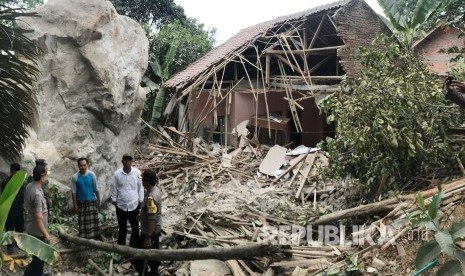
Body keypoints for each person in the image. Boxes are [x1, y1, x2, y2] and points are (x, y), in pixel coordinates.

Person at [133, 169, 162, 275]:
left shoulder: (151, 197)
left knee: (140, 256)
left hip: (149, 232)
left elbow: (152, 218)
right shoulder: (154, 190)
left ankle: (147, 273)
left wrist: (148, 237)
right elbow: (149, 212)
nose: (141, 182)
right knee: (152, 256)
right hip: (152, 229)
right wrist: (141, 215)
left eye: (143, 180)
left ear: (147, 181)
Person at [23, 165, 51, 276]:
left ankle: (37, 274)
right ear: (42, 177)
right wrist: (46, 235)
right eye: (45, 175)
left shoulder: (30, 185)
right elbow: (39, 219)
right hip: (37, 230)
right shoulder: (37, 194)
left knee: (37, 256)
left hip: (31, 226)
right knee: (39, 258)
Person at [111, 153, 143, 246]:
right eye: (125, 160)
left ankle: (134, 246)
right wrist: (114, 199)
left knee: (135, 227)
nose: (128, 162)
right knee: (122, 228)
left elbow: (140, 186)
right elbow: (114, 187)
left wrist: (141, 200)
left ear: (132, 161)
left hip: (134, 204)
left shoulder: (138, 172)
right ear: (122, 161)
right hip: (121, 205)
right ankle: (121, 247)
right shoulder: (117, 174)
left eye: (129, 160)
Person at [71, 157, 100, 239]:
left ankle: (94, 237)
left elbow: (96, 188)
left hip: (91, 202)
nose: (83, 167)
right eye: (81, 165)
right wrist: (75, 204)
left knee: (93, 221)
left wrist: (98, 199)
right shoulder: (75, 177)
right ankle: (84, 239)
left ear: (87, 165)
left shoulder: (92, 175)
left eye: (84, 165)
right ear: (78, 166)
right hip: (81, 203)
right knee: (83, 222)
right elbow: (74, 192)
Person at [0, 163, 24, 254]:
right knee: (13, 228)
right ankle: (11, 246)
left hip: (15, 209)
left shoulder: (17, 182)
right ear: (13, 172)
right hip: (11, 210)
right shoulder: (6, 182)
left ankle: (15, 244)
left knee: (17, 227)